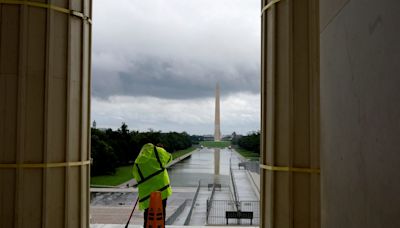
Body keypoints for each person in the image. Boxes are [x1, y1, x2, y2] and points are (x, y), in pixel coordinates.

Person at [132, 143, 173, 227]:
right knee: (160, 212)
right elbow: (169, 158)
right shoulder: (159, 151)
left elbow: (136, 175)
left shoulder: (138, 161)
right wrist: (161, 150)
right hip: (162, 189)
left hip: (146, 193)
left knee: (148, 214)